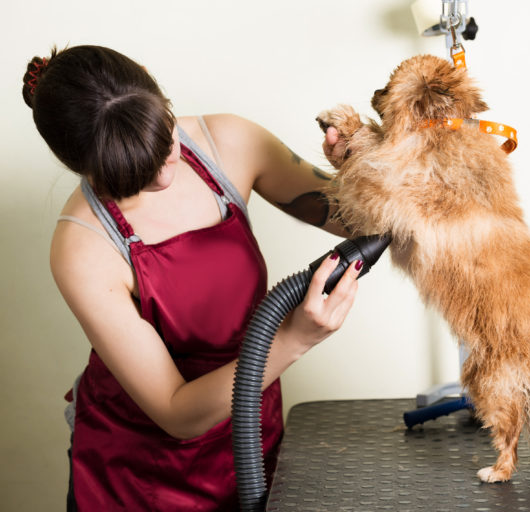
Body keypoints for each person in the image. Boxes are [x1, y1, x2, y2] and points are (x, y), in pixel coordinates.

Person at [23, 45, 357, 511]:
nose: (164, 176)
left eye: (166, 144)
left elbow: (362, 219)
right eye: (133, 175)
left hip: (250, 435)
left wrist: (369, 165)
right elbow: (177, 413)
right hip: (138, 478)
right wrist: (295, 339)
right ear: (83, 167)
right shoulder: (83, 246)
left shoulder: (229, 145)